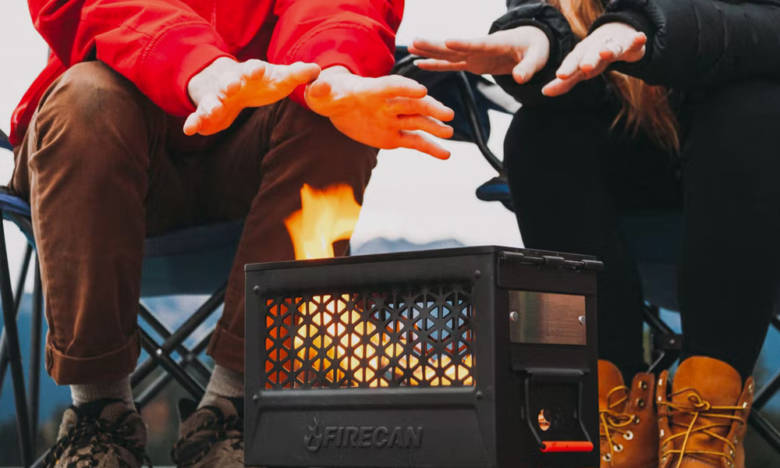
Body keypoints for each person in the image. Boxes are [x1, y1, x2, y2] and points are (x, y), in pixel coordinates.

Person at [7, 1, 456, 466]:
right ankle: (98, 417)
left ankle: (234, 412)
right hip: (101, 158)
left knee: (335, 114)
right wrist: (197, 66)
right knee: (87, 98)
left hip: (253, 166)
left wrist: (332, 70)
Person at [410, 0, 780, 466]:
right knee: (539, 131)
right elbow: (560, 53)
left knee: (753, 108)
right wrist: (542, 37)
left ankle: (706, 429)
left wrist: (647, 30)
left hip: (755, 169)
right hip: (632, 174)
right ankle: (612, 420)